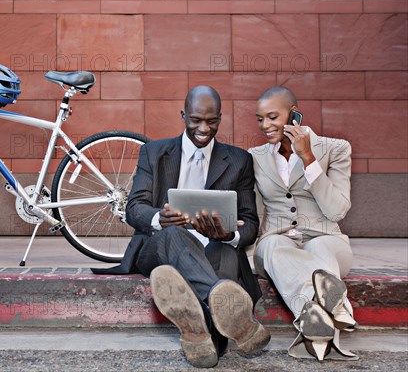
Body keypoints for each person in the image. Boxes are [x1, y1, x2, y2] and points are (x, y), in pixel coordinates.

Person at [92, 86, 270, 368]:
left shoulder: (239, 160)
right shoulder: (154, 153)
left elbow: (250, 223)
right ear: (183, 115)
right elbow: (134, 208)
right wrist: (158, 219)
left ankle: (200, 336)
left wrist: (229, 234)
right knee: (174, 233)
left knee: (225, 251)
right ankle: (233, 317)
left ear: (220, 118)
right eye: (196, 120)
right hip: (161, 246)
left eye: (212, 121)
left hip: (213, 247)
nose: (204, 128)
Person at [249, 86, 358, 362]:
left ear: (294, 113)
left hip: (327, 238)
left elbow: (337, 211)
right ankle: (336, 307)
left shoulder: (335, 149)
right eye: (260, 119)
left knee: (320, 246)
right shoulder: (255, 157)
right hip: (278, 241)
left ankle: (315, 325)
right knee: (272, 244)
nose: (265, 125)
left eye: (273, 117)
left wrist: (308, 158)